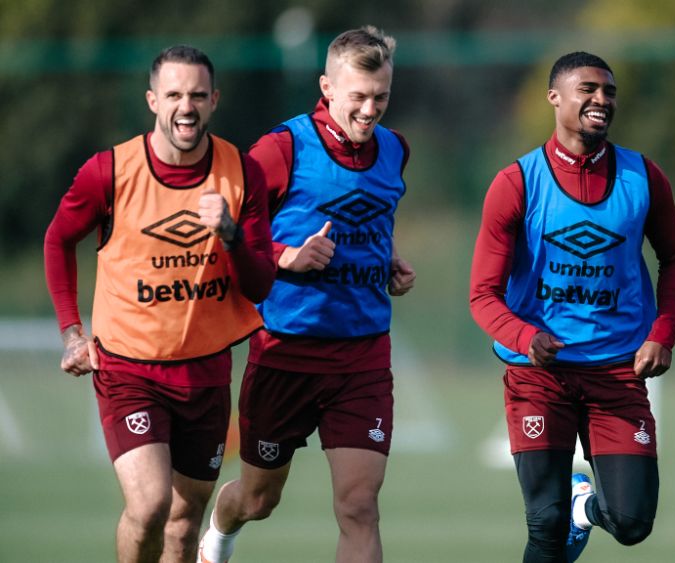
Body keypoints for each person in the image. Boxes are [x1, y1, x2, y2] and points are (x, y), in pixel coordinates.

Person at [43, 45, 275, 563]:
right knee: (149, 506)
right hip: (129, 369)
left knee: (184, 519)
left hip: (206, 373)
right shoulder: (109, 171)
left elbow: (260, 285)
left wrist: (231, 235)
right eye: (174, 94)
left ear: (214, 100)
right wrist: (71, 332)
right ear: (153, 100)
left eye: (196, 94)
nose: (185, 106)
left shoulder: (241, 173)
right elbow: (58, 240)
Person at [197, 26, 415, 563]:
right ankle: (218, 536)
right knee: (258, 498)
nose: (370, 110)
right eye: (358, 97)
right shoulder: (280, 149)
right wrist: (284, 257)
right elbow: (225, 235)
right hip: (284, 353)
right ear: (327, 87)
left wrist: (384, 261)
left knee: (360, 506)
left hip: (363, 357)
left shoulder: (395, 149)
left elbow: (369, 219)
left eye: (381, 96)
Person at [470, 51, 675, 562]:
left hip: (617, 371)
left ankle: (583, 507)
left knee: (632, 523)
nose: (601, 100)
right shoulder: (516, 183)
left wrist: (663, 331)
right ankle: (563, 509)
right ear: (555, 97)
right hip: (538, 375)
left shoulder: (644, 177)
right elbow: (483, 295)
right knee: (543, 526)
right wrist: (526, 338)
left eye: (609, 92)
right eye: (587, 89)